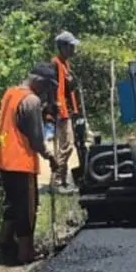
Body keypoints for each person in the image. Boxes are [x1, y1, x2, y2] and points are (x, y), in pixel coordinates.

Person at [0, 63, 61, 265]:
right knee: (27, 209)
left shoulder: (11, 93)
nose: (48, 92)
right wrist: (50, 157)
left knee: (13, 203)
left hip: (3, 159)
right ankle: (26, 253)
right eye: (48, 87)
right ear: (40, 82)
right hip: (20, 161)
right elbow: (37, 140)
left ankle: (4, 241)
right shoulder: (30, 101)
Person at [51, 31, 82, 193]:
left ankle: (63, 180)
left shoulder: (66, 64)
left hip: (69, 111)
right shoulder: (55, 64)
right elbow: (55, 90)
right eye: (71, 46)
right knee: (66, 146)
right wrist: (58, 109)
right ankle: (58, 181)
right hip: (61, 111)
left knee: (70, 145)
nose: (73, 50)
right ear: (62, 47)